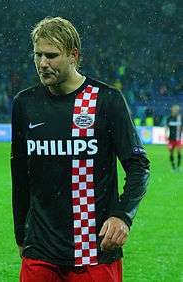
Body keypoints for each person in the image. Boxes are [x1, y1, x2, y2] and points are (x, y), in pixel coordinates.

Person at [11, 17, 150, 282]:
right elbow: (19, 176)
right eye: (38, 55)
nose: (42, 63)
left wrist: (123, 216)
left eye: (51, 55)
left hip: (94, 250)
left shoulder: (106, 100)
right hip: (40, 250)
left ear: (73, 55)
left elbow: (138, 165)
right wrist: (21, 235)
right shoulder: (25, 103)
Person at [166, 104, 183, 171]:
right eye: (175, 110)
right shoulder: (169, 118)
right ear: (172, 110)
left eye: (177, 110)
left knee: (179, 152)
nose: (176, 111)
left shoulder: (180, 117)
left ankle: (178, 167)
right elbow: (166, 127)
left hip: (178, 139)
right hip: (171, 139)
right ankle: (173, 167)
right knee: (171, 153)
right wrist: (165, 134)